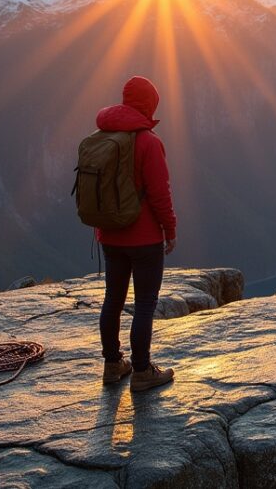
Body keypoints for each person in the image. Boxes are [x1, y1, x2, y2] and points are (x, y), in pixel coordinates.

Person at [95, 76, 178, 392]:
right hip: (144, 239)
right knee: (144, 304)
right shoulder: (148, 141)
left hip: (110, 235)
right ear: (149, 104)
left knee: (113, 299)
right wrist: (170, 230)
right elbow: (159, 194)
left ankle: (112, 364)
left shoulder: (104, 136)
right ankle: (142, 370)